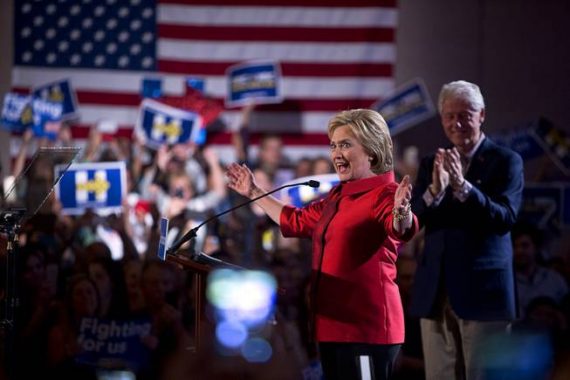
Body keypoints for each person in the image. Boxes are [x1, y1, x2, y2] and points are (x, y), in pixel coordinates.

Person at [227, 108, 418, 380]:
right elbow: (294, 220)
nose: (336, 153)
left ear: (371, 150)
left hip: (366, 331)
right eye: (333, 145)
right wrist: (254, 192)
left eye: (346, 145)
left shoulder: (385, 193)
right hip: (331, 327)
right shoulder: (337, 197)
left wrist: (401, 211)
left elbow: (401, 228)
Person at [409, 80, 524, 380]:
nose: (456, 123)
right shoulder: (431, 163)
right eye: (449, 116)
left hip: (484, 293)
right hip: (436, 292)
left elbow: (506, 218)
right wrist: (434, 190)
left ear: (482, 115)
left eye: (465, 115)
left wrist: (464, 189)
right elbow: (413, 219)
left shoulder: (506, 161)